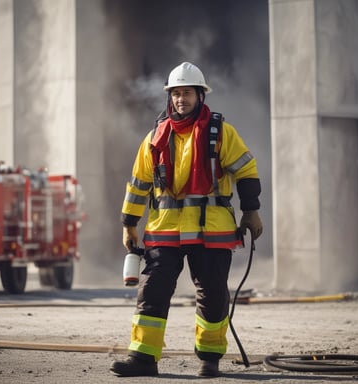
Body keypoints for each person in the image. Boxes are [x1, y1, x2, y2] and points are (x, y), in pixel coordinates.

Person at [111, 62, 263, 377]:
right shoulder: (155, 136)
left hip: (211, 230)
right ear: (170, 96)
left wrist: (251, 211)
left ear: (200, 95)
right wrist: (129, 224)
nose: (182, 99)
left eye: (188, 93)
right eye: (176, 93)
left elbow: (246, 171)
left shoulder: (221, 132)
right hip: (164, 230)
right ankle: (143, 358)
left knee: (212, 292)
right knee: (152, 290)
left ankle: (209, 359)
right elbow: (139, 184)